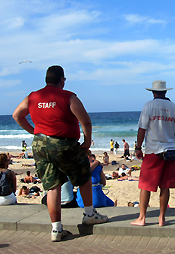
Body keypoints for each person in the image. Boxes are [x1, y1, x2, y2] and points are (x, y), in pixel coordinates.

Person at [12, 65, 107, 242]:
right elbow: (85, 120)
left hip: (40, 144)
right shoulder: (68, 96)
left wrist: (34, 131)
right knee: (84, 173)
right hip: (63, 143)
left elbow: (17, 115)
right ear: (62, 79)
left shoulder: (33, 96)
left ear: (47, 80)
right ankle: (89, 214)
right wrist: (87, 142)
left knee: (52, 185)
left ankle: (56, 229)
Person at [131, 80, 175, 227]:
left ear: (153, 92)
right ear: (165, 91)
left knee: (145, 185)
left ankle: (142, 217)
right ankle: (162, 217)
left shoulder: (149, 105)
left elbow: (142, 129)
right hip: (171, 151)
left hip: (153, 151)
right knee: (165, 186)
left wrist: (138, 147)